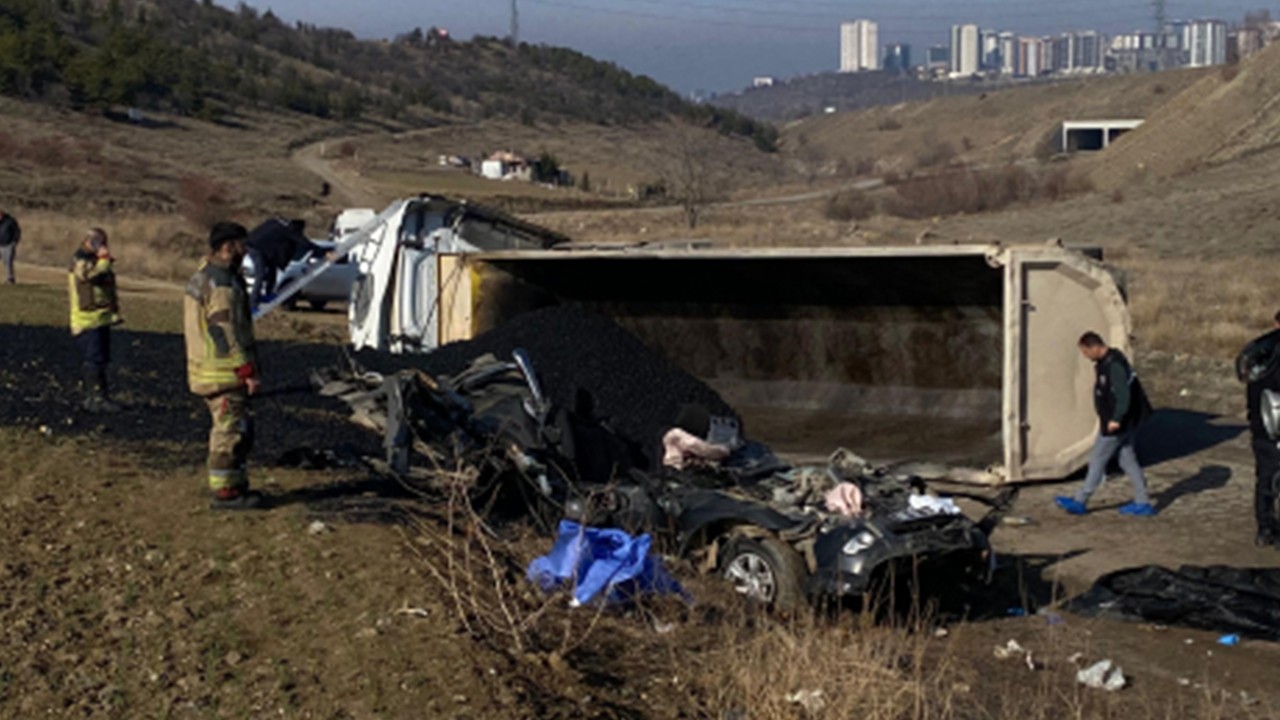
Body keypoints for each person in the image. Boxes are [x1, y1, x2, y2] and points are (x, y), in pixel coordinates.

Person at [184, 222, 264, 510]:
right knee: (228, 431)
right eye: (242, 245)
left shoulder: (202, 276)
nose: (246, 251)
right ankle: (225, 493)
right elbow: (226, 330)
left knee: (235, 428)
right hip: (224, 372)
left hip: (205, 368)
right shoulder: (222, 285)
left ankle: (236, 482)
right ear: (228, 247)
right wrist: (246, 370)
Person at [1055, 332, 1155, 516]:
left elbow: (1123, 396)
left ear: (1094, 347)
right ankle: (1143, 501)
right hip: (1127, 421)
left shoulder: (1114, 365)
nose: (1085, 356)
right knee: (1127, 459)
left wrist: (1116, 419)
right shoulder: (1107, 362)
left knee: (1097, 460)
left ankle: (1080, 500)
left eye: (1085, 352)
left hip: (1117, 424)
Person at [68, 228, 123, 413]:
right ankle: (95, 398)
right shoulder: (81, 260)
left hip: (100, 318)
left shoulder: (92, 260)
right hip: (87, 320)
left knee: (101, 358)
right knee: (94, 359)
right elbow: (88, 277)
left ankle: (100, 396)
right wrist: (104, 262)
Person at [1237, 320, 1280, 548]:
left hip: (1260, 426)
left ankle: (1265, 528)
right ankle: (1268, 529)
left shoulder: (1258, 351)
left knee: (1266, 479)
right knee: (1271, 479)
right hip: (1270, 426)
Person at [245, 218, 323, 309]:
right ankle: (253, 302)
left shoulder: (279, 225)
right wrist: (322, 252)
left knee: (272, 269)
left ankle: (267, 294)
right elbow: (305, 243)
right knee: (261, 274)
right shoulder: (288, 230)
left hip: (261, 247)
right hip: (254, 247)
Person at [0, 209, 20, 284]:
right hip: (1, 244)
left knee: (8, 262)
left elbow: (17, 231)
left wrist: (14, 241)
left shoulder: (10, 221)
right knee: (4, 261)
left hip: (9, 244)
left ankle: (10, 278)